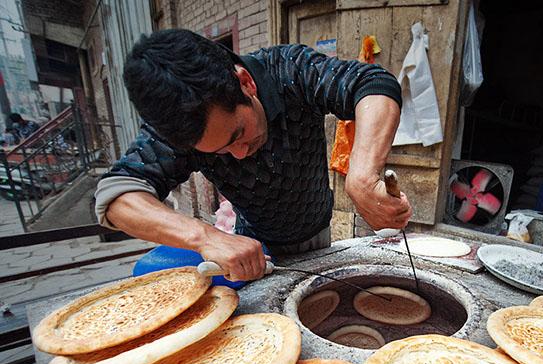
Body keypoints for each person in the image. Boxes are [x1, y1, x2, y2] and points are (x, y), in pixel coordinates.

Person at [95, 29, 411, 282]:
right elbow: (116, 197)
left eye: (237, 134)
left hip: (316, 232)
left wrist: (363, 176)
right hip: (252, 245)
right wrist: (206, 237)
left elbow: (372, 83)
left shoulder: (289, 69)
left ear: (246, 84)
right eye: (220, 151)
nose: (240, 153)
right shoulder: (180, 124)